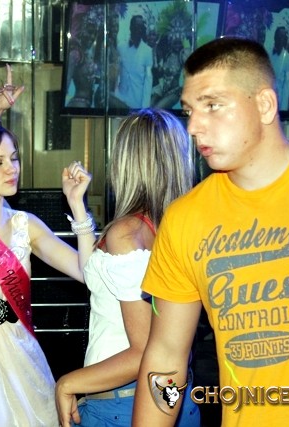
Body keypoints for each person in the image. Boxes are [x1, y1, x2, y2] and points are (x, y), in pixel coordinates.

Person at [133, 36, 289, 427]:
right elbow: (165, 358)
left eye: (213, 105)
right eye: (189, 110)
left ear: (265, 105)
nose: (193, 126)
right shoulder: (185, 219)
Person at [0, 81, 95, 426]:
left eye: (13, 158)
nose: (11, 168)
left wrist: (78, 207)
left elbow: (87, 272)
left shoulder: (25, 224)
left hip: (20, 356)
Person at [54, 108, 200, 427]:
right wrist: (77, 206)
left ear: (126, 161)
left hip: (124, 403)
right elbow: (96, 277)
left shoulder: (127, 232)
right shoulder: (177, 227)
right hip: (172, 397)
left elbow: (144, 350)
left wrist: (67, 383)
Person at [111, 15, 153, 110]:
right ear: (130, 27)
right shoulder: (120, 47)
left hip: (137, 103)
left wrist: (145, 107)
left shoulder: (148, 51)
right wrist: (116, 93)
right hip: (120, 100)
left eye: (141, 27)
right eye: (136, 26)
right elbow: (116, 73)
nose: (139, 30)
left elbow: (148, 80)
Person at [270, 26, 289, 110]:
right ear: (275, 37)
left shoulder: (288, 57)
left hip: (279, 99)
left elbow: (287, 83)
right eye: (279, 36)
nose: (280, 39)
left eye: (283, 36)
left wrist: (283, 108)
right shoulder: (267, 52)